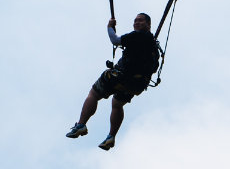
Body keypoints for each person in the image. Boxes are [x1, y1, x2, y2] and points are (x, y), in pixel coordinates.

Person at [66, 12, 160, 150]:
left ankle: (81, 124)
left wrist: (109, 27)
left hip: (123, 77)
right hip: (136, 85)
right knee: (117, 104)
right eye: (135, 21)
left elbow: (115, 40)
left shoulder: (137, 36)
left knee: (94, 94)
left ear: (148, 24)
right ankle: (111, 137)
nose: (136, 23)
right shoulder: (153, 47)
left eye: (140, 20)